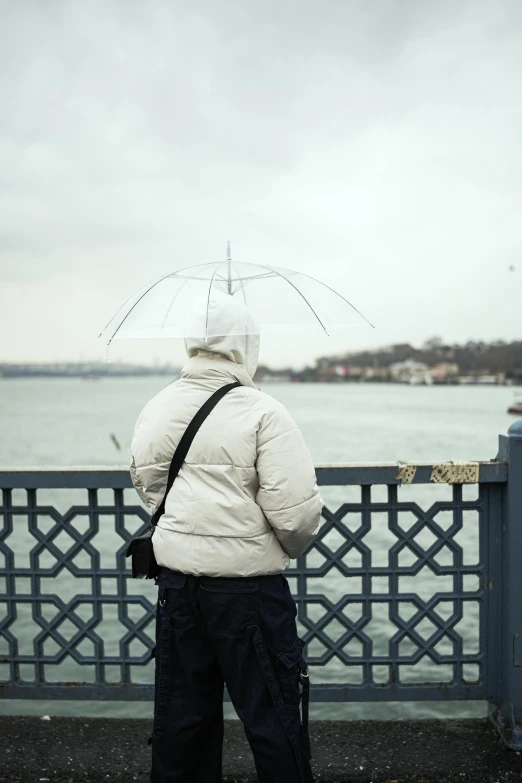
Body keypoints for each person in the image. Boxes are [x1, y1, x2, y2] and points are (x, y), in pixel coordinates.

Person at [130, 295, 323, 783]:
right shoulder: (265, 412)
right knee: (273, 718)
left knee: (183, 724)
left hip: (178, 587)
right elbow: (295, 514)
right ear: (246, 345)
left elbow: (148, 486)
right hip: (248, 592)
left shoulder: (156, 406)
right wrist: (278, 547)